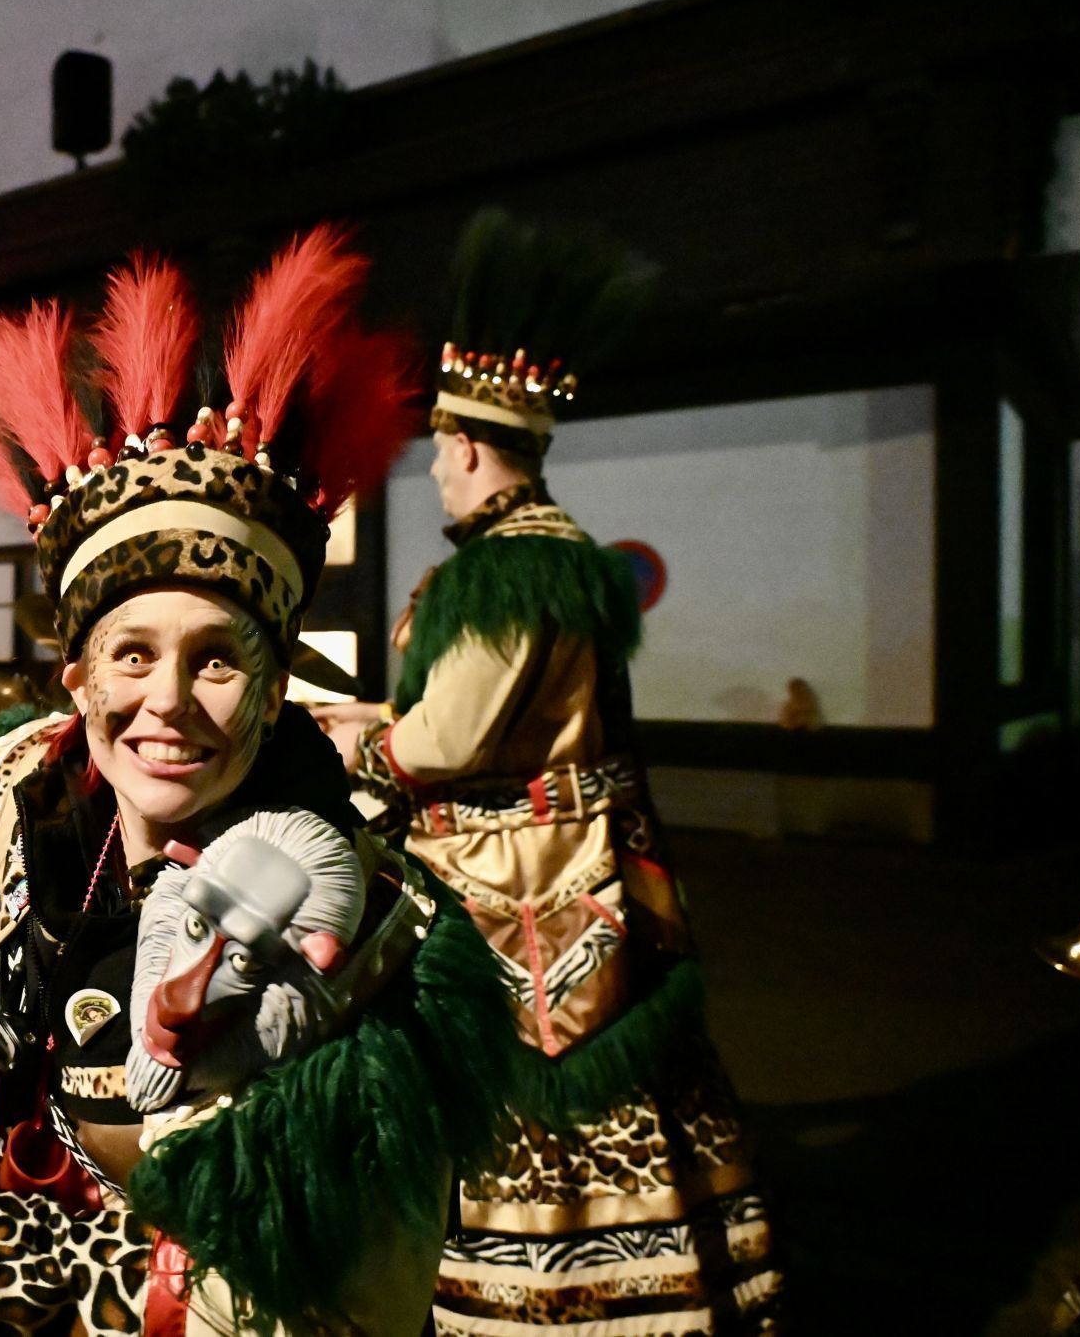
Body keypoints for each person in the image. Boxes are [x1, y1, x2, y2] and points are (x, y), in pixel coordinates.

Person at [0, 234, 533, 1334]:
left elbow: (332, 1297)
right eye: (130, 654)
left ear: (273, 691)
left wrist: (46, 1261)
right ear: (74, 679)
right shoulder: (16, 825)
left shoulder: (365, 934)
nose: (165, 700)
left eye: (214, 657)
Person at [314, 210, 783, 1333]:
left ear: (471, 446)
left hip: (514, 875)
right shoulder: (560, 555)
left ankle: (557, 1302)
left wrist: (357, 735)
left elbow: (450, 742)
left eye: (437, 445)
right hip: (581, 859)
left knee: (533, 1087)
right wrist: (384, 709)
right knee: (635, 1089)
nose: (431, 465)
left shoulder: (506, 572)